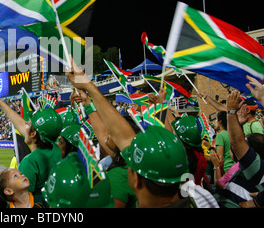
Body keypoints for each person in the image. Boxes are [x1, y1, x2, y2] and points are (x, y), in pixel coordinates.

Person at [65, 56, 216, 208]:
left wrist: (89, 88)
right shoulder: (203, 198)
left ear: (135, 179)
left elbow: (121, 139)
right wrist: (88, 97)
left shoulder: (118, 178)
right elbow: (123, 138)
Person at [0, 89, 62, 196]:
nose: (24, 126)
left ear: (33, 134)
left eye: (27, 124)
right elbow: (22, 125)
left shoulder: (30, 161)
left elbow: (22, 199)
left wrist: (8, 184)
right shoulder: (58, 150)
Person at [214, 90, 264, 207]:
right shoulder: (250, 168)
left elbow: (237, 143)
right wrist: (239, 124)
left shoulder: (256, 168)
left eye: (246, 143)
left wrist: (231, 112)